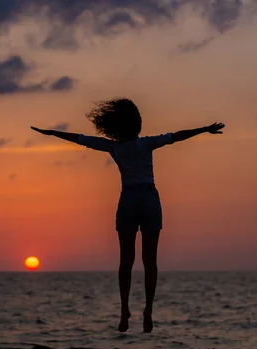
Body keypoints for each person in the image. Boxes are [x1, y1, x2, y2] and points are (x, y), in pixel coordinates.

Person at [31, 97, 224, 333]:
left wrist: (50, 133)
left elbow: (81, 139)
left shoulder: (116, 147)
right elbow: (176, 136)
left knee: (128, 261)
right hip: (147, 199)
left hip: (130, 200)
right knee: (147, 261)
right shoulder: (144, 144)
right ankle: (145, 311)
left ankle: (127, 312)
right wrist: (204, 129)